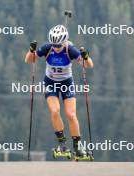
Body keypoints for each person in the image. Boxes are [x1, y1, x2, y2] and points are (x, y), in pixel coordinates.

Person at [25, 24, 94, 157]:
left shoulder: (71, 50)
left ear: (64, 42)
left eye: (59, 46)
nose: (56, 48)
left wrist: (86, 57)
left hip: (67, 83)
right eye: (54, 45)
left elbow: (89, 65)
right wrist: (31, 50)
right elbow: (29, 60)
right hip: (50, 83)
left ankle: (77, 147)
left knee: (70, 115)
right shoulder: (47, 48)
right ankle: (62, 145)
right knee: (55, 111)